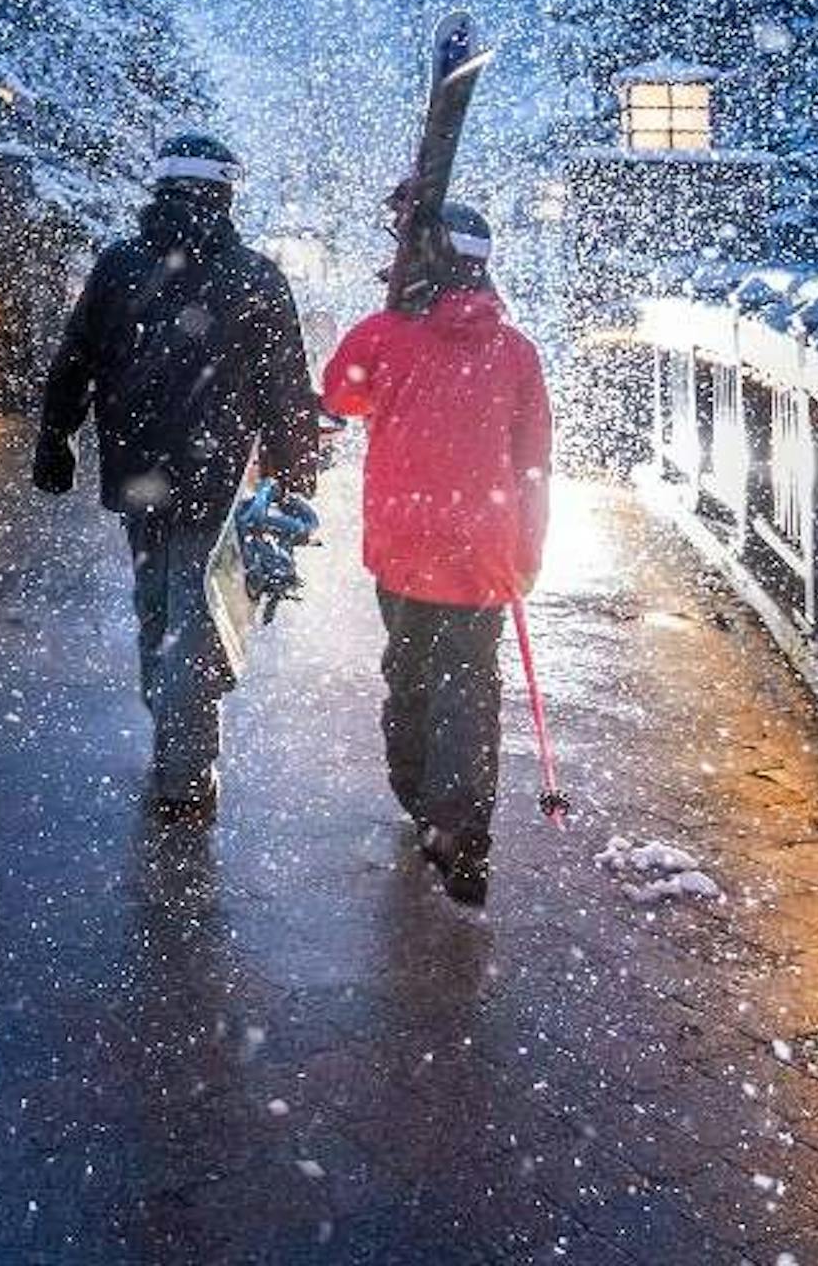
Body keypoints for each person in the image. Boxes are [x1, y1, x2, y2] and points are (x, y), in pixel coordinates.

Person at [30, 130, 321, 820]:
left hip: (136, 467)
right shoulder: (256, 276)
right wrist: (296, 472)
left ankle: (171, 728)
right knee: (199, 616)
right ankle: (185, 773)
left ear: (158, 188)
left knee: (156, 606)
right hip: (215, 472)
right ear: (225, 194)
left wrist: (57, 437)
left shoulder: (119, 266)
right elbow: (286, 388)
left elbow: (76, 359)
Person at [321, 199, 552, 905]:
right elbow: (534, 461)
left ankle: (418, 792)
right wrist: (529, 551)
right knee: (471, 687)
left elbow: (339, 397)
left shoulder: (385, 335)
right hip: (483, 546)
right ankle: (461, 827)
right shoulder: (516, 354)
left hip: (401, 542)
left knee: (410, 669)